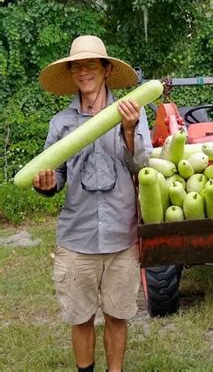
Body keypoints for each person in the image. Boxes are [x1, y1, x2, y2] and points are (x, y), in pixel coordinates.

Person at [34, 35, 153, 372]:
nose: (83, 71)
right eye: (76, 66)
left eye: (90, 65)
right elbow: (55, 176)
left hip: (121, 235)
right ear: (72, 73)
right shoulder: (61, 124)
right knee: (80, 317)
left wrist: (128, 131)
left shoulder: (131, 113)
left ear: (106, 70)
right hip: (77, 238)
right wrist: (47, 183)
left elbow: (141, 165)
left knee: (118, 314)